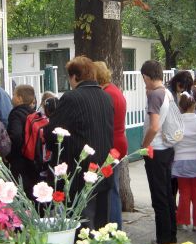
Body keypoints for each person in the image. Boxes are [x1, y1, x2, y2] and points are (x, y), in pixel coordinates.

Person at [44, 56, 114, 230]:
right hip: (102, 169)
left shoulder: (71, 98)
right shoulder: (105, 97)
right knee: (100, 225)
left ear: (74, 77)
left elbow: (53, 132)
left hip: (79, 174)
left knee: (80, 227)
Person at [140, 60, 177, 244]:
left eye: (143, 79)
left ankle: (163, 240)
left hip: (155, 150)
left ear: (146, 76)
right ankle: (171, 235)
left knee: (159, 198)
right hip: (167, 148)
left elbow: (154, 127)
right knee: (168, 195)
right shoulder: (167, 92)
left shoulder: (155, 95)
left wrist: (144, 146)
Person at [94, 61, 128, 230]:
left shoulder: (106, 94)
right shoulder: (115, 91)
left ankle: (114, 229)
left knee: (110, 190)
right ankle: (115, 227)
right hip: (119, 142)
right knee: (112, 187)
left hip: (111, 145)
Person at [172, 92, 196, 232]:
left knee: (184, 192)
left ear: (180, 106)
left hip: (180, 160)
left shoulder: (176, 122)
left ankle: (182, 221)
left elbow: (173, 141)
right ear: (194, 105)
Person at [7, 84, 37, 198]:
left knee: (20, 194)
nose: (12, 97)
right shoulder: (34, 113)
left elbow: (16, 136)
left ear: (19, 98)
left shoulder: (16, 113)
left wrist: (9, 155)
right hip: (33, 160)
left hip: (19, 161)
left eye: (14, 94)